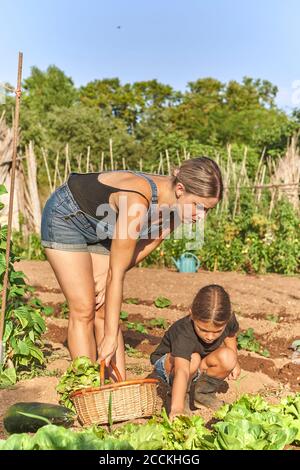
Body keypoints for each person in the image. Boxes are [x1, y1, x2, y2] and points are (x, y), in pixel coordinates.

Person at [40, 157, 223, 380]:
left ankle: (118, 390)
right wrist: (108, 333)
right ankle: (84, 386)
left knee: (105, 307)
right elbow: (115, 274)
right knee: (84, 307)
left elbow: (152, 241)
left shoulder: (179, 209)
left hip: (104, 227)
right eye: (199, 206)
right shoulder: (136, 203)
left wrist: (110, 280)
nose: (201, 216)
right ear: (180, 189)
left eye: (208, 210)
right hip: (68, 216)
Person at [150, 284, 241, 419]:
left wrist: (235, 361)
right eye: (203, 330)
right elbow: (182, 370)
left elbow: (230, 335)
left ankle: (202, 394)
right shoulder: (183, 332)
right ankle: (180, 399)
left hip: (196, 363)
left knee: (229, 357)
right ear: (192, 315)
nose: (210, 337)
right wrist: (177, 409)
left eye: (217, 331)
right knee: (193, 359)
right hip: (170, 366)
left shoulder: (227, 319)